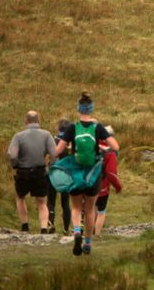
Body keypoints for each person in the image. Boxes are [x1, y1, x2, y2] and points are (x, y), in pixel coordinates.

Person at [55, 93, 119, 255]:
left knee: (76, 207)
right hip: (93, 173)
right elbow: (115, 147)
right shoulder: (98, 128)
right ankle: (88, 242)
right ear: (91, 109)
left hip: (76, 172)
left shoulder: (72, 128)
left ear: (78, 109)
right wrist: (104, 149)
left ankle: (77, 231)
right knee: (90, 209)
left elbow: (58, 151)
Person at [7, 111, 55, 233]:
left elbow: (12, 155)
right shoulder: (46, 135)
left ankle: (25, 226)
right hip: (40, 171)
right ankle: (43, 228)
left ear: (26, 121)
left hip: (23, 172)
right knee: (42, 202)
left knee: (20, 197)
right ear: (38, 120)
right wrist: (51, 166)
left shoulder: (18, 136)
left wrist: (15, 165)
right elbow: (54, 153)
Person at [93, 130, 121, 236]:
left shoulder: (93, 148)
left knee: (92, 208)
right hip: (102, 187)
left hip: (89, 185)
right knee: (101, 212)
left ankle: (89, 233)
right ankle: (97, 234)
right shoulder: (110, 153)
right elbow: (111, 173)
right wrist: (118, 187)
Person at [47, 117, 72, 235]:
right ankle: (66, 229)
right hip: (67, 175)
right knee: (65, 203)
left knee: (51, 201)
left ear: (58, 128)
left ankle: (50, 223)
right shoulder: (71, 143)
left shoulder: (52, 140)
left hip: (53, 174)